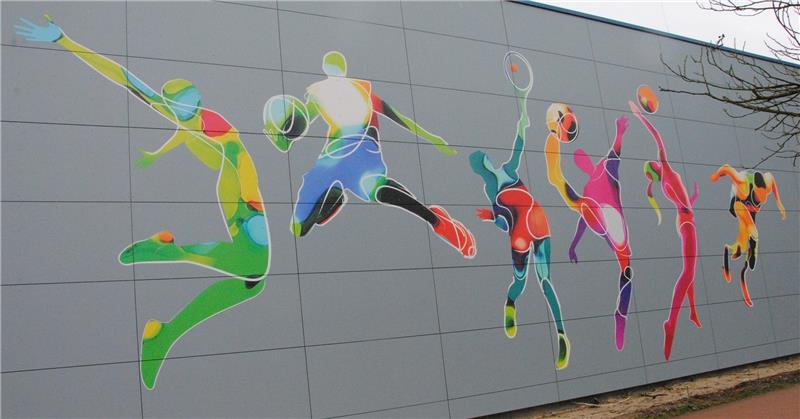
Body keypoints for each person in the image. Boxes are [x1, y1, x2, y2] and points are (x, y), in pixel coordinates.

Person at [16, 16, 271, 389]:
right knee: (256, 267)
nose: (186, 109)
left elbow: (124, 78)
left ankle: (163, 335)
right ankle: (171, 250)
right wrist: (65, 40)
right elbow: (237, 153)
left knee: (253, 281)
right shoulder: (198, 116)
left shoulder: (180, 112)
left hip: (236, 192)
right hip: (240, 194)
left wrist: (64, 40)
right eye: (183, 104)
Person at [263, 51, 476, 258]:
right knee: (374, 187)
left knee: (299, 224)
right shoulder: (337, 92)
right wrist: (433, 138)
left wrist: (283, 137)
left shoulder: (331, 92)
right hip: (356, 150)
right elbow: (399, 118)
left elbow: (302, 120)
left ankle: (327, 201)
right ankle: (436, 220)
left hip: (342, 152)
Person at [470, 52, 570, 369]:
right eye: (479, 160)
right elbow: (503, 224)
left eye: (482, 155)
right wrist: (491, 218)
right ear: (479, 169)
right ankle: (511, 302)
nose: (483, 159)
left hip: (539, 223)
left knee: (546, 281)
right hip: (519, 235)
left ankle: (561, 334)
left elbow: (519, 142)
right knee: (521, 283)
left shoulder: (509, 170)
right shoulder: (492, 191)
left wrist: (522, 123)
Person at [544, 103, 633, 351]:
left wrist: (620, 132)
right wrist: (619, 132)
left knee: (626, 267)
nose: (582, 161)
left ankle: (620, 315)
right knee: (625, 267)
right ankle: (621, 315)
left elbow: (615, 155)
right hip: (602, 215)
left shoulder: (602, 172)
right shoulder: (599, 176)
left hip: (601, 216)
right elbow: (615, 153)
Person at [628, 87, 702, 361]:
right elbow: (657, 137)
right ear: (657, 168)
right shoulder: (667, 170)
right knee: (688, 272)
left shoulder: (665, 182)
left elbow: (684, 199)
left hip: (684, 220)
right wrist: (639, 115)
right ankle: (670, 322)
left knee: (690, 270)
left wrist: (691, 197)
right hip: (686, 222)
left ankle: (691, 311)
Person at [710, 164, 785, 307]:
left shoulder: (766, 185)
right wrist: (715, 176)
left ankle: (735, 248)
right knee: (753, 230)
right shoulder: (742, 184)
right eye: (758, 197)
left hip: (750, 207)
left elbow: (771, 178)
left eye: (763, 199)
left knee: (744, 238)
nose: (760, 200)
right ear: (754, 189)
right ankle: (752, 254)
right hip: (738, 201)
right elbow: (726, 168)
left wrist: (779, 202)